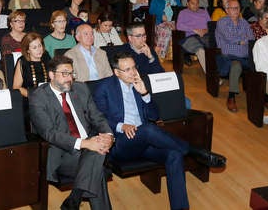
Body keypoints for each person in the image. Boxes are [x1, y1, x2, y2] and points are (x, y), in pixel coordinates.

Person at [93, 51, 226, 209]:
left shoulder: (139, 83)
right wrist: (122, 125)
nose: (133, 72)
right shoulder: (103, 87)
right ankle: (196, 152)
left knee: (174, 154)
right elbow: (99, 118)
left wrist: (145, 93)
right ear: (116, 72)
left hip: (145, 143)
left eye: (134, 67)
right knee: (148, 130)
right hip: (120, 144)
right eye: (127, 69)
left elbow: (155, 115)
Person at [28, 55, 114, 210]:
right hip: (62, 153)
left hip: (88, 147)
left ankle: (74, 199)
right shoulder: (38, 97)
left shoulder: (80, 88)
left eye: (71, 74)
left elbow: (97, 116)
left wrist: (108, 135)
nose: (69, 78)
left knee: (95, 155)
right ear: (52, 75)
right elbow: (49, 133)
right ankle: (74, 199)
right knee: (97, 162)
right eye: (65, 74)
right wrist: (86, 143)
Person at [215, 0, 254, 113]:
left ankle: (264, 97)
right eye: (233, 8)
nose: (236, 10)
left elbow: (251, 38)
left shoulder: (244, 22)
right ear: (227, 10)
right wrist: (242, 40)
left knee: (261, 65)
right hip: (228, 57)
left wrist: (241, 41)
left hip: (245, 56)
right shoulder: (222, 22)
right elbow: (229, 38)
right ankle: (231, 97)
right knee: (236, 66)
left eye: (237, 8)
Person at [176, 0, 212, 74]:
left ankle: (219, 71)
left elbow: (210, 25)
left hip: (205, 36)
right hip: (190, 37)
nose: (195, 5)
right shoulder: (183, 13)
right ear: (187, 4)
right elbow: (179, 26)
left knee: (215, 47)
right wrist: (194, 30)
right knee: (200, 50)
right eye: (193, 3)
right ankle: (211, 75)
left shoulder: (204, 11)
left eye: (197, 3)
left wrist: (205, 30)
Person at [12, 32, 50, 97]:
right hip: (30, 99)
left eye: (40, 46)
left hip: (48, 97)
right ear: (28, 50)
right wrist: (33, 96)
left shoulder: (46, 57)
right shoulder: (23, 61)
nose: (39, 50)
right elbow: (16, 87)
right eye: (34, 48)